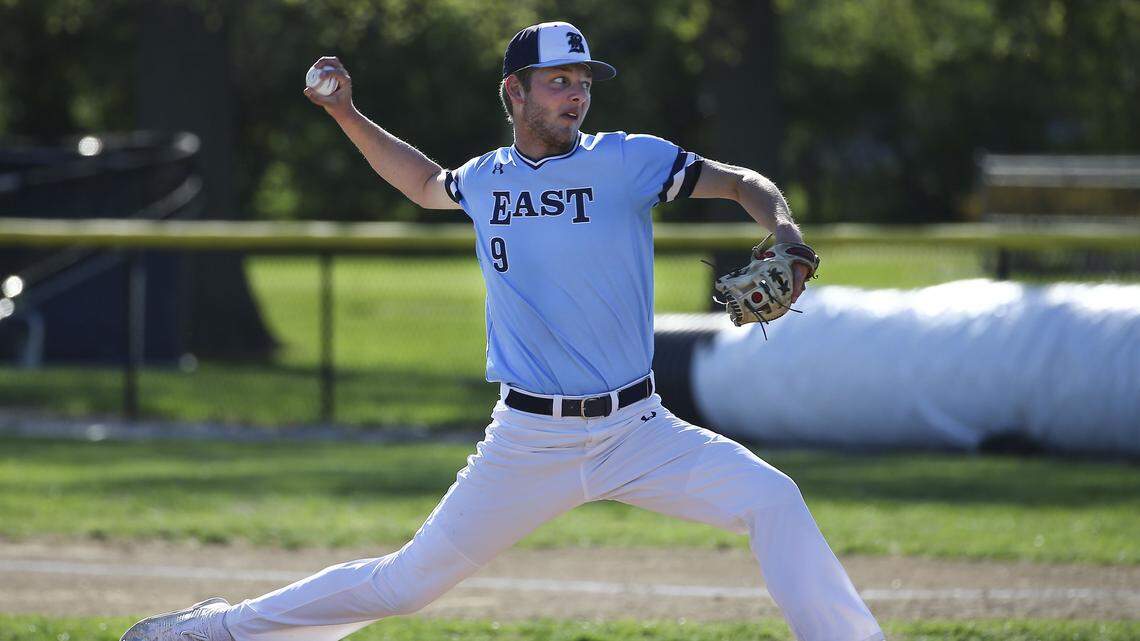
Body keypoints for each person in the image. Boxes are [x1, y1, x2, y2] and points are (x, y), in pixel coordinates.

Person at [120, 21, 883, 641]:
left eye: (583, 81)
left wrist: (783, 229)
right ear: (513, 91)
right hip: (528, 440)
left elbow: (742, 182)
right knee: (406, 584)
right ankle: (219, 631)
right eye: (559, 81)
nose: (577, 94)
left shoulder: (629, 162)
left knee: (773, 497)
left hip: (639, 429)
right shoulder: (485, 178)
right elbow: (423, 183)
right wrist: (346, 113)